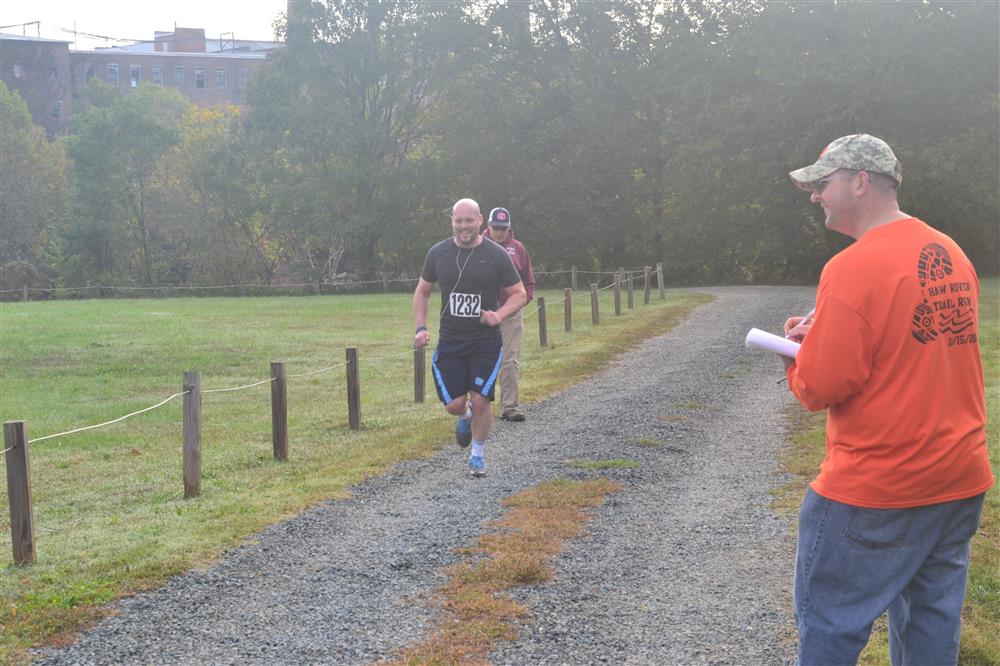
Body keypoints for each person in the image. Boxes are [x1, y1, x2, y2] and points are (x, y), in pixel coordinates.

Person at [781, 133, 993, 665]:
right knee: (930, 633)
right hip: (958, 480)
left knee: (831, 625)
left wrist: (796, 360)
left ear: (859, 182)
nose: (815, 196)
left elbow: (823, 386)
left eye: (822, 183)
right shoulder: (951, 253)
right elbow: (915, 348)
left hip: (877, 491)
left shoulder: (853, 267)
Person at [413, 198, 527, 477]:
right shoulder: (438, 253)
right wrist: (421, 327)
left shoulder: (497, 254)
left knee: (481, 401)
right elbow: (422, 292)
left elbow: (519, 294)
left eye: (469, 220)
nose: (463, 226)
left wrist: (498, 316)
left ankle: (477, 455)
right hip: (451, 340)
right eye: (458, 220)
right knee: (454, 405)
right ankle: (464, 418)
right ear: (452, 220)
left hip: (484, 341)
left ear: (480, 221)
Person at [483, 207, 536, 422]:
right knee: (480, 359)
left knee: (510, 360)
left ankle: (510, 407)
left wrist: (520, 302)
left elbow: (528, 281)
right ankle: (478, 404)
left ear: (509, 228)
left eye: (503, 228)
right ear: (488, 226)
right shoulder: (478, 246)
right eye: (496, 227)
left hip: (510, 314)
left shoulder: (518, 249)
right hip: (482, 313)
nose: (499, 232)